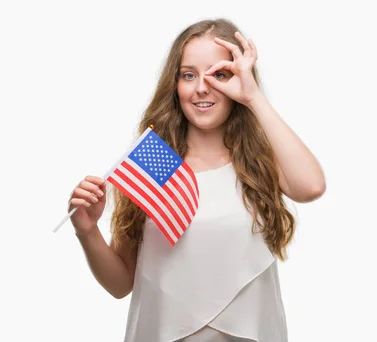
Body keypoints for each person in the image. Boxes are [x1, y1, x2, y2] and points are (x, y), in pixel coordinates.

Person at [67, 18, 326, 342]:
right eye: (189, 75)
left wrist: (253, 96)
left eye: (219, 74)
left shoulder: (256, 163)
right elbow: (121, 284)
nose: (202, 87)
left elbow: (311, 186)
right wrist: (87, 231)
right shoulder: (154, 164)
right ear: (174, 85)